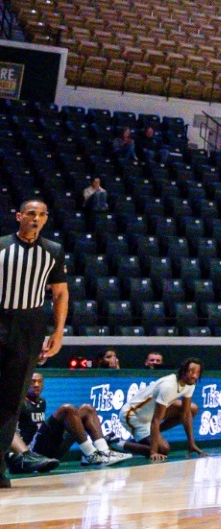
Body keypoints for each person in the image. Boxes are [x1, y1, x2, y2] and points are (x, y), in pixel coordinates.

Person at [0, 198, 67, 488]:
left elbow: (60, 293)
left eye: (41, 214)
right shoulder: (2, 246)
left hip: (30, 325)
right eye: (31, 213)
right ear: (19, 216)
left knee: (12, 401)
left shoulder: (53, 251)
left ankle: (0, 466)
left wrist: (58, 332)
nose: (36, 218)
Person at [17, 372, 129, 467]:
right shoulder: (20, 403)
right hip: (32, 452)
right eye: (32, 382)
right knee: (66, 409)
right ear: (25, 383)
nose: (36, 385)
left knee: (87, 409)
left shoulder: (42, 402)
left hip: (50, 450)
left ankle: (103, 451)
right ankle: (91, 454)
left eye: (40, 381)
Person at [119, 359, 203, 462]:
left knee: (192, 409)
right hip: (134, 416)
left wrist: (191, 443)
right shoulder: (168, 386)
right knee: (163, 449)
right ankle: (117, 443)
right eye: (191, 371)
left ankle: (150, 437)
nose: (194, 376)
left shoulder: (190, 384)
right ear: (183, 371)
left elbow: (186, 414)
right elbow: (156, 420)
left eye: (197, 372)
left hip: (151, 414)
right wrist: (153, 452)